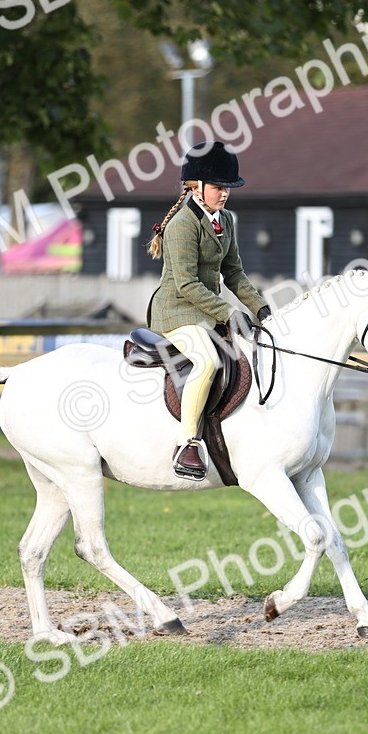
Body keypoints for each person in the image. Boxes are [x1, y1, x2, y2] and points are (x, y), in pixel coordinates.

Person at [146, 141, 270, 481]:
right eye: (218, 187)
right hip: (177, 312)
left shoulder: (226, 220)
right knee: (208, 359)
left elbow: (234, 273)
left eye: (228, 187)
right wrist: (229, 313)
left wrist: (261, 309)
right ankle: (187, 443)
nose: (225, 193)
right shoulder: (182, 225)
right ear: (195, 187)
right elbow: (186, 285)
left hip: (207, 312)